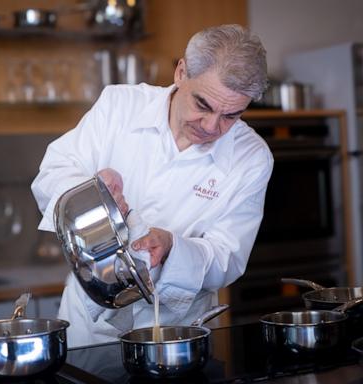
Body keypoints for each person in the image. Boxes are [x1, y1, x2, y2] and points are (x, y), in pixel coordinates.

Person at [31, 23, 273, 348]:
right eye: (203, 105)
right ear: (181, 73)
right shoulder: (120, 106)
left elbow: (226, 257)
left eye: (231, 115)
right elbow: (53, 172)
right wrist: (92, 198)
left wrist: (172, 245)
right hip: (89, 325)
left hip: (177, 334)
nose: (212, 126)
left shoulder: (252, 157)